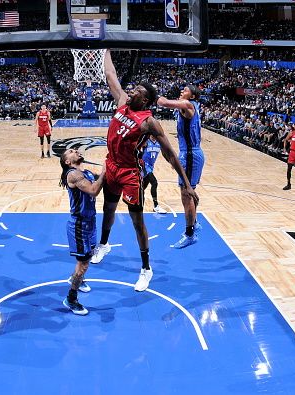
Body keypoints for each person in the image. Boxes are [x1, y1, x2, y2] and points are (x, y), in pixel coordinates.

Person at [90, 50, 198, 292]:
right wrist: (105, 49)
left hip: (130, 173)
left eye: (138, 90)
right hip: (112, 166)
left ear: (146, 100)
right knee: (107, 208)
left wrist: (187, 184)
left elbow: (170, 153)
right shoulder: (122, 102)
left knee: (137, 221)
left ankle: (146, 269)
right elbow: (110, 75)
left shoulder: (148, 122)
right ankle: (104, 244)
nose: (133, 90)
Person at [157, 85, 205, 248]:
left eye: (185, 90)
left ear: (192, 96)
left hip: (191, 154)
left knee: (186, 195)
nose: (181, 91)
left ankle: (190, 234)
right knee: (189, 192)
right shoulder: (189, 107)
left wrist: (151, 93)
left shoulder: (188, 105)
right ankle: (195, 222)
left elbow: (163, 102)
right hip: (189, 154)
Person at [59, 148, 105, 315]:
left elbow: (101, 179)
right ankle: (71, 299)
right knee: (84, 263)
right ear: (67, 162)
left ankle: (77, 279)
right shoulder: (72, 175)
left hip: (90, 222)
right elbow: (93, 190)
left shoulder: (85, 172)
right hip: (79, 225)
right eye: (71, 151)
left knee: (89, 256)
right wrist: (105, 172)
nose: (76, 150)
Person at [141, 135, 168, 214]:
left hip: (150, 167)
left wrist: (171, 162)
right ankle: (156, 206)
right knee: (154, 182)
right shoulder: (146, 141)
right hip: (144, 166)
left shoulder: (159, 142)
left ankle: (138, 202)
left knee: (142, 188)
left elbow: (165, 154)